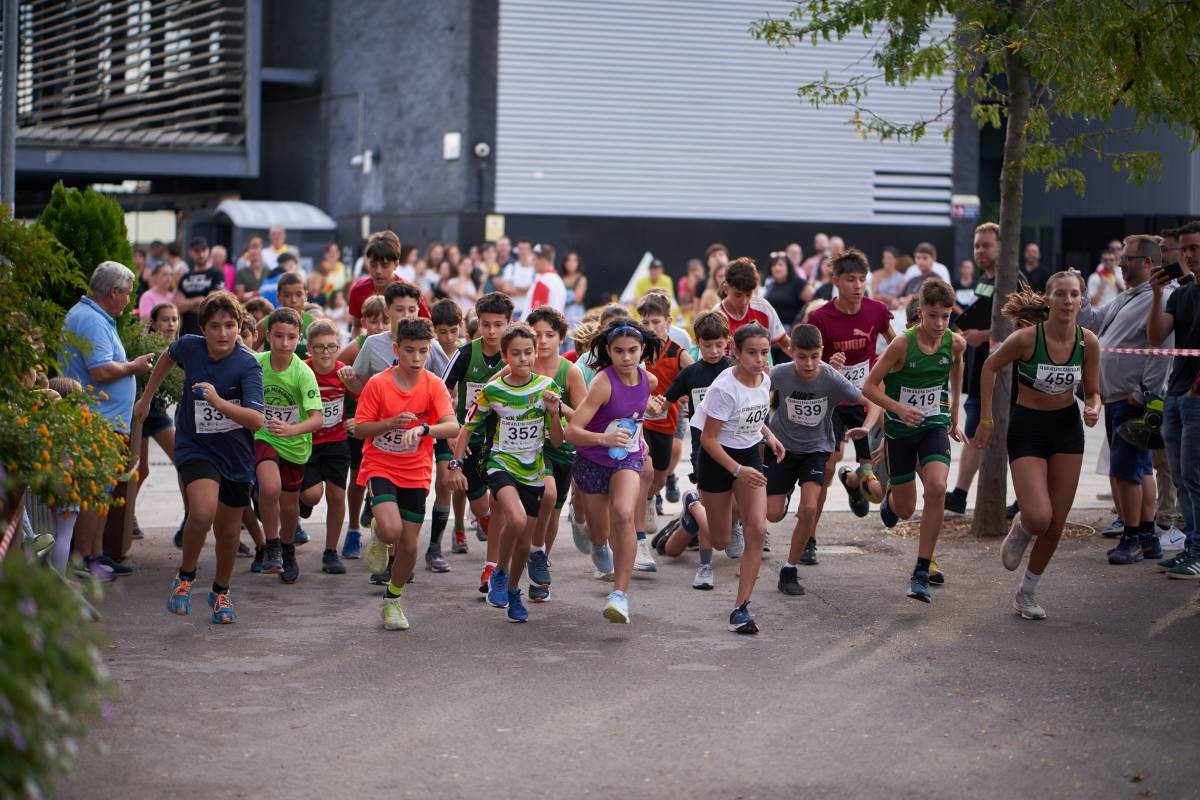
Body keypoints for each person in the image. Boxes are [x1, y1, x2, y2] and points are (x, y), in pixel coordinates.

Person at [135, 291, 265, 624]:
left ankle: (220, 592)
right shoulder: (189, 347)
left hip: (235, 455)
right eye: (215, 326)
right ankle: (186, 576)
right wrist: (147, 398)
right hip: (196, 446)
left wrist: (219, 402)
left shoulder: (247, 364)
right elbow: (167, 357)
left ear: (239, 327)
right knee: (202, 510)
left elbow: (256, 420)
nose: (223, 333)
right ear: (203, 328)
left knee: (229, 533)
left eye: (230, 325)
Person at [976, 276, 1101, 618]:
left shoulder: (1088, 342)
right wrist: (986, 419)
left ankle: (1027, 592)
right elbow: (989, 367)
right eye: (1060, 294)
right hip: (1028, 427)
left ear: (1081, 301)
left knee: (1056, 523)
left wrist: (1093, 408)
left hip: (1067, 429)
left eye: (1074, 294)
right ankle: (1023, 526)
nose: (1067, 300)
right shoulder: (1027, 339)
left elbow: (1093, 391)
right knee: (1039, 517)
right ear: (1048, 300)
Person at [862, 278, 965, 603]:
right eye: (933, 316)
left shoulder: (955, 343)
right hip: (900, 432)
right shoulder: (902, 345)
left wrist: (954, 409)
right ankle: (890, 498)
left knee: (937, 487)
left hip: (933, 425)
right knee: (905, 510)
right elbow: (869, 387)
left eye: (946, 316)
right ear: (920, 312)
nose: (940, 323)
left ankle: (921, 570)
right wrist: (898, 409)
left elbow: (958, 364)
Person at [354, 318, 460, 630]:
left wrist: (424, 429)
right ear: (396, 349)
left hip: (415, 469)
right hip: (380, 464)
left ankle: (392, 599)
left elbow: (452, 426)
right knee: (391, 531)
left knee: (410, 547)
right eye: (409, 350)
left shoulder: (433, 384)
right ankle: (380, 532)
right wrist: (390, 424)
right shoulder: (378, 384)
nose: (416, 358)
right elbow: (360, 429)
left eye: (423, 351)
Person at [456, 324, 564, 623]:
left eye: (528, 352)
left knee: (524, 543)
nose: (523, 359)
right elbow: (467, 427)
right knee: (515, 519)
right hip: (501, 463)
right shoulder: (493, 391)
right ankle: (500, 572)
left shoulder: (546, 387)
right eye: (516, 353)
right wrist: (455, 463)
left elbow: (557, 441)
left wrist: (554, 413)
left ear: (535, 353)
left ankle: (514, 589)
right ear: (505, 356)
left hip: (533, 470)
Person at [1076, 236, 1173, 565]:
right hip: (1118, 397)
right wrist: (1081, 293)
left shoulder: (1159, 300)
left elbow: (1161, 350)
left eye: (1127, 258)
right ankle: (1147, 537)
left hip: (1132, 400)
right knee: (1139, 470)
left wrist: (1145, 393)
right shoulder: (1128, 296)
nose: (1120, 263)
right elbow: (1091, 324)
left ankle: (1132, 538)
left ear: (1147, 262)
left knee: (1125, 472)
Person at [566, 317, 666, 623]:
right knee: (601, 533)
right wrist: (604, 439)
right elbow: (572, 432)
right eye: (619, 351)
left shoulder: (648, 381)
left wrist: (650, 417)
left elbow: (636, 415)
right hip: (592, 461)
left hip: (627, 459)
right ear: (608, 351)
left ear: (642, 349)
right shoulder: (602, 383)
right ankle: (598, 546)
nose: (626, 357)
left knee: (623, 513)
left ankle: (620, 595)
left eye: (632, 350)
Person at [59, 261, 153, 579]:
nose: (128, 299)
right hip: (96, 420)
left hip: (104, 420)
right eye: (127, 293)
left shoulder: (95, 317)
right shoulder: (91, 320)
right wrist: (134, 367)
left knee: (101, 492)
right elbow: (100, 370)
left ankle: (97, 554)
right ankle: (83, 558)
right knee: (94, 492)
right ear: (114, 291)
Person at [692, 323, 783, 633]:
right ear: (736, 352)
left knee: (757, 529)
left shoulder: (765, 379)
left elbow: (752, 416)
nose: (760, 359)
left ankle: (741, 608)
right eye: (752, 353)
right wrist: (737, 470)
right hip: (718, 460)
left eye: (764, 352)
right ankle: (694, 507)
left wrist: (769, 436)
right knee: (721, 540)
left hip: (748, 456)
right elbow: (708, 439)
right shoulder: (724, 388)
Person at [765, 323, 866, 596]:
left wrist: (870, 425)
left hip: (816, 449)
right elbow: (752, 390)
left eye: (814, 356)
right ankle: (785, 492)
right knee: (773, 514)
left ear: (822, 351)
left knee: (809, 508)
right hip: (783, 448)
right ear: (791, 352)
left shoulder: (831, 378)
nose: (808, 364)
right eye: (802, 357)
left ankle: (789, 569)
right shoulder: (780, 373)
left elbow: (870, 401)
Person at [808, 248, 893, 521]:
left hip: (865, 398)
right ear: (835, 281)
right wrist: (826, 363)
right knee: (827, 468)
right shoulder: (820, 318)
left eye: (862, 279)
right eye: (850, 279)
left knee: (872, 479)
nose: (858, 286)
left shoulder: (876, 310)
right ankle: (810, 536)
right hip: (833, 399)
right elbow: (808, 363)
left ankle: (853, 481)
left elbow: (897, 346)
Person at [442, 292, 515, 592]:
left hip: (505, 440)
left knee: (502, 503)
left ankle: (495, 564)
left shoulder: (517, 353)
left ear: (509, 323)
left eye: (498, 325)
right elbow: (440, 393)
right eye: (486, 325)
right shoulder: (465, 354)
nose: (492, 331)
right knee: (482, 505)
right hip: (470, 438)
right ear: (477, 324)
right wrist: (451, 431)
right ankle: (485, 525)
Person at [658, 311, 730, 589]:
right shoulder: (691, 373)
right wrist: (648, 405)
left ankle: (691, 506)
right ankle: (705, 566)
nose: (713, 351)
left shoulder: (735, 370)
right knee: (710, 512)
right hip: (704, 450)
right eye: (707, 345)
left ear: (727, 342)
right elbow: (665, 402)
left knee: (735, 506)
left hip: (736, 447)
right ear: (697, 343)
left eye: (719, 345)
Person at [253, 307, 324, 582]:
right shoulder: (256, 363)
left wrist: (291, 429)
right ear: (268, 335)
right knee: (269, 488)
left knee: (290, 504)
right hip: (265, 435)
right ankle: (271, 545)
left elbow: (317, 419)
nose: (284, 343)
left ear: (299, 339)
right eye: (278, 336)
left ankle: (287, 547)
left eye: (291, 337)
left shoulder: (303, 373)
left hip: (295, 443)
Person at [523, 306, 587, 601]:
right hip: (530, 448)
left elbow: (584, 419)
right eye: (536, 335)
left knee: (553, 514)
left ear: (561, 338)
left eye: (549, 334)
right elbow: (492, 391)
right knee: (546, 495)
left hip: (562, 448)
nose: (543, 340)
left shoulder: (569, 371)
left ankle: (540, 568)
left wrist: (558, 407)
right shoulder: (521, 365)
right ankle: (518, 560)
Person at [1148, 220, 1200, 578]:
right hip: (1176, 395)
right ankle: (1191, 548)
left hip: (1194, 397)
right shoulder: (1181, 294)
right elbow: (1155, 337)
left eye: (1194, 248)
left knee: (1194, 477)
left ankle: (1197, 552)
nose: (1188, 255)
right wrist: (1156, 295)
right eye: (1184, 249)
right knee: (1181, 478)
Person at [298, 320, 364, 576]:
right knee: (311, 495)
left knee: (336, 496)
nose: (326, 353)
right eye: (319, 347)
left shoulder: (343, 373)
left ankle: (330, 552)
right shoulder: (301, 370)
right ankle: (302, 502)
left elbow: (364, 397)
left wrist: (357, 419)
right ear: (309, 349)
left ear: (338, 347)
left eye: (331, 347)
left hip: (336, 441)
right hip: (307, 442)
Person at [944, 222, 1000, 515]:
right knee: (973, 430)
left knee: (982, 431)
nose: (980, 251)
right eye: (977, 245)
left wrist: (985, 335)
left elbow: (1023, 325)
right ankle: (959, 495)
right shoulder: (984, 279)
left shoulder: (1011, 280)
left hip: (1000, 374)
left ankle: (961, 495)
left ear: (1002, 247)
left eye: (986, 245)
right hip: (979, 368)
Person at [637, 291, 693, 571]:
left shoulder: (679, 354)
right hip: (640, 423)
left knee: (658, 476)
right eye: (645, 322)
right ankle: (637, 540)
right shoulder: (636, 350)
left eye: (655, 322)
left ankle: (650, 497)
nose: (650, 327)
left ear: (669, 322)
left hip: (666, 423)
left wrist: (689, 399)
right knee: (644, 470)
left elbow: (697, 381)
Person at [335, 294, 390, 561]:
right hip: (359, 422)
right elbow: (333, 372)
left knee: (383, 481)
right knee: (357, 478)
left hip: (388, 424)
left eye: (384, 321)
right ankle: (354, 529)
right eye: (373, 321)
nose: (378, 327)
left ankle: (381, 536)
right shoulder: (357, 346)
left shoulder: (396, 346)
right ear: (363, 322)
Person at [133, 303, 184, 541]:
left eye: (174, 319)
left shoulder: (181, 348)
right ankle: (127, 516)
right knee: (140, 470)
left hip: (159, 413)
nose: (171, 324)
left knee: (183, 462)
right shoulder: (146, 347)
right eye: (165, 319)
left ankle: (189, 517)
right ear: (153, 323)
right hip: (142, 412)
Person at [348, 231, 430, 336]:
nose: (378, 271)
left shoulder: (410, 292)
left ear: (396, 264)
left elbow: (428, 326)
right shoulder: (358, 289)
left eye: (385, 265)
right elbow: (356, 327)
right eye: (373, 265)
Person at [718, 257, 789, 351]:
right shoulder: (717, 316)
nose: (744, 301)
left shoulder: (764, 307)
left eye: (748, 295)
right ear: (726, 289)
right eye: (738, 295)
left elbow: (787, 345)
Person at [175, 237, 225, 336]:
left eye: (203, 250)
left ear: (208, 251)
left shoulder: (216, 274)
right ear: (190, 253)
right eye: (197, 251)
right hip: (186, 331)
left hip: (209, 331)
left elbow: (212, 304)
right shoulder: (185, 277)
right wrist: (199, 300)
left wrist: (187, 304)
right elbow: (178, 306)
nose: (201, 254)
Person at [764, 251, 811, 333]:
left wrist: (801, 322)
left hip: (792, 331)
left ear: (788, 267)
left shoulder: (798, 283)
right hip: (772, 330)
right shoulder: (770, 285)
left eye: (781, 265)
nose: (777, 268)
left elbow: (813, 302)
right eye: (774, 265)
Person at [523, 243, 567, 315]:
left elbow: (536, 315)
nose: (532, 262)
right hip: (555, 321)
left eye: (534, 259)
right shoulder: (559, 280)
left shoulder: (543, 281)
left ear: (543, 261)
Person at [562, 250, 588, 328]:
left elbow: (577, 299)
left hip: (575, 315)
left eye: (574, 260)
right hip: (562, 312)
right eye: (568, 260)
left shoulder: (582, 279)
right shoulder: (560, 278)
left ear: (578, 263)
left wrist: (563, 296)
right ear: (564, 263)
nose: (571, 263)